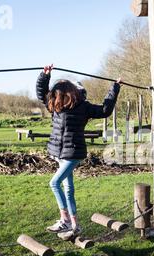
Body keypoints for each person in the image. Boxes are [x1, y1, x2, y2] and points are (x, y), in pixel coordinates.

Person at [36, 64, 122, 240]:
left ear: (67, 93)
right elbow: (41, 93)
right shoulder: (55, 105)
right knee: (68, 189)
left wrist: (114, 87)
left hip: (73, 153)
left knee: (54, 183)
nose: (54, 96)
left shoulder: (83, 106)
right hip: (59, 153)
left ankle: (65, 220)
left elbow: (105, 110)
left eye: (57, 93)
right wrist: (45, 75)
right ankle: (75, 225)